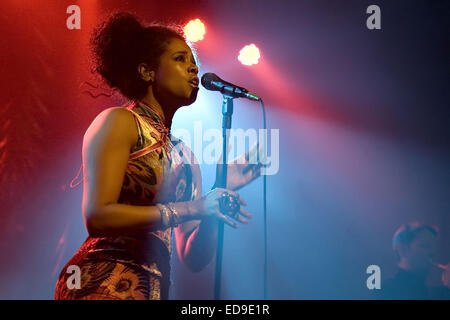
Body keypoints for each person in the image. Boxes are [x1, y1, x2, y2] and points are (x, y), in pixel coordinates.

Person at [54, 11, 262, 300]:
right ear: (147, 71)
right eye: (180, 59)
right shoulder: (119, 122)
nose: (194, 70)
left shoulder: (187, 158)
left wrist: (218, 192)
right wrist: (193, 208)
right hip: (102, 281)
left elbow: (193, 257)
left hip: (154, 290)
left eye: (194, 63)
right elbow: (97, 215)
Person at [379, 222, 450, 299]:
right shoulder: (387, 290)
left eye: (434, 247)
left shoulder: (432, 292)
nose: (433, 252)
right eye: (425, 246)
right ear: (403, 250)